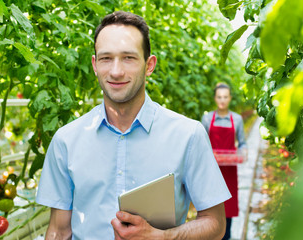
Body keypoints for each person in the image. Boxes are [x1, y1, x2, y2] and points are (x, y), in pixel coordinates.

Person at [36, 11, 231, 240]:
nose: (116, 71)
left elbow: (216, 224)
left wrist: (161, 237)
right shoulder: (66, 141)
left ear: (149, 65)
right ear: (95, 64)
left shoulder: (187, 135)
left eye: (128, 58)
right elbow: (59, 231)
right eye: (106, 58)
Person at [201, 83, 247, 240]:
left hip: (229, 171)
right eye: (219, 97)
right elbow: (202, 145)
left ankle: (226, 236)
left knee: (228, 208)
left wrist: (244, 151)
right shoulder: (207, 119)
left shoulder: (237, 119)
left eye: (225, 97)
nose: (222, 100)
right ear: (215, 98)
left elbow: (242, 143)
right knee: (210, 208)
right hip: (211, 171)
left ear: (230, 98)